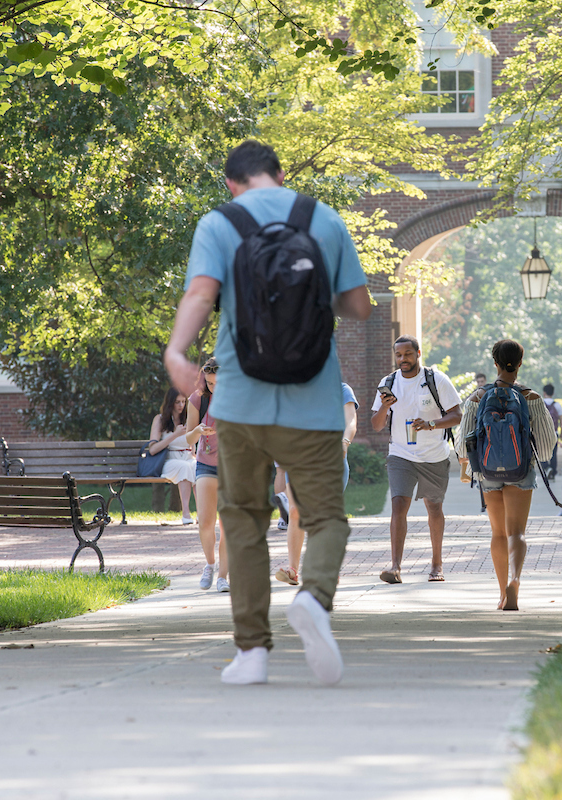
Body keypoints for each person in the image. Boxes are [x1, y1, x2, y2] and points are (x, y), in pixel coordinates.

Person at [164, 139, 371, 686]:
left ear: (232, 184)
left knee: (245, 519)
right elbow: (358, 306)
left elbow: (201, 294)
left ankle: (252, 652)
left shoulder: (219, 224)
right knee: (325, 517)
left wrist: (176, 352)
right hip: (316, 398)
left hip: (240, 401)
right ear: (280, 175)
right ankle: (314, 598)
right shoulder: (322, 219)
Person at [456, 339, 557, 610]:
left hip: (488, 472)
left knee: (498, 533)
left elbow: (461, 444)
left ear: (495, 363)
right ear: (520, 363)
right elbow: (547, 447)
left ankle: (502, 595)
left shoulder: (478, 397)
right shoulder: (532, 397)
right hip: (521, 471)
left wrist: (467, 468)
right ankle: (515, 580)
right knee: (516, 532)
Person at [370, 335, 462, 584]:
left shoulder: (436, 380)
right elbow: (377, 426)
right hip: (400, 453)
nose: (403, 359)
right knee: (398, 504)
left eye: (408, 354)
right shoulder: (388, 383)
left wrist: (431, 424)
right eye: (398, 355)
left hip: (433, 456)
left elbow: (457, 416)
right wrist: (383, 408)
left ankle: (436, 564)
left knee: (434, 507)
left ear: (418, 353)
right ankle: (395, 567)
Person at [276, 382, 359, 586]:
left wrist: (344, 442)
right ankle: (293, 570)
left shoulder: (341, 390)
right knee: (295, 511)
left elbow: (351, 421)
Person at [186, 357, 229, 592]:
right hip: (206, 464)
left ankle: (223, 577)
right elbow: (187, 439)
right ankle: (210, 565)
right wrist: (198, 431)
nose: (214, 388)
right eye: (210, 383)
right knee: (205, 521)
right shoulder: (198, 399)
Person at [149, 388, 200, 524]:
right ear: (170, 403)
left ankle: (201, 513)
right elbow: (152, 449)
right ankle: (186, 513)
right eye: (177, 402)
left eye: (184, 402)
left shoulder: (189, 419)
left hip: (188, 457)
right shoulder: (160, 420)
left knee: (197, 467)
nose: (181, 405)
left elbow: (193, 445)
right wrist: (175, 435)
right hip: (169, 461)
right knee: (184, 467)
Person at [541, 384, 562, 479]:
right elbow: (561, 421)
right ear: (553, 393)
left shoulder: (540, 403)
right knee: (553, 453)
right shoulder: (557, 405)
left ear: (544, 393)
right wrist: (561, 433)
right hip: (554, 433)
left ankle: (546, 468)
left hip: (542, 433)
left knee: (542, 452)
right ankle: (553, 473)